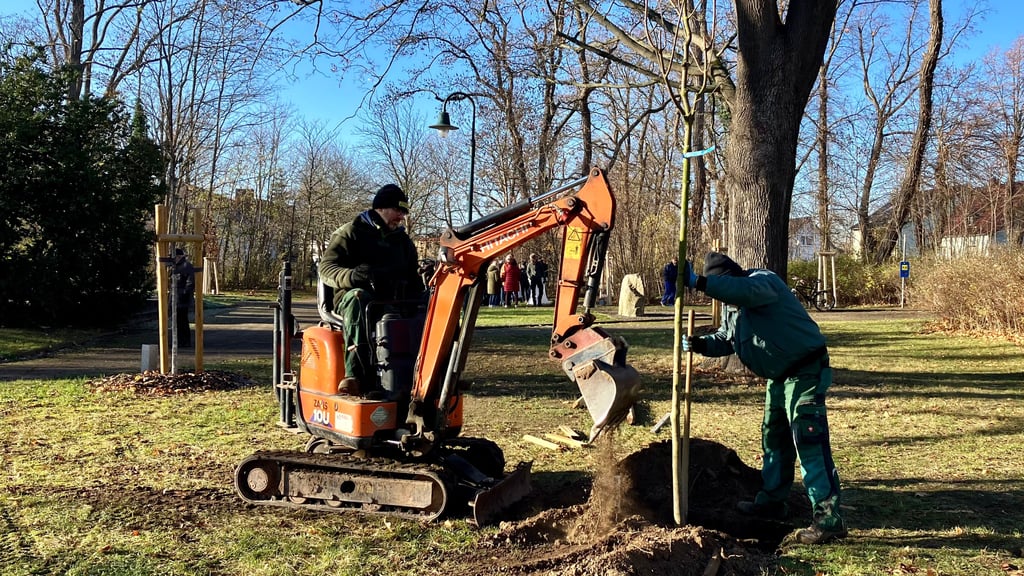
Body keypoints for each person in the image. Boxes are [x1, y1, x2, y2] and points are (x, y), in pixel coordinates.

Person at [680, 252, 846, 545]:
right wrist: (700, 344)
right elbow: (727, 339)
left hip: (805, 371)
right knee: (774, 439)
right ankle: (772, 501)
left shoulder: (761, 282)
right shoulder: (735, 305)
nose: (727, 299)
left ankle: (828, 518)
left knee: (808, 440)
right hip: (779, 378)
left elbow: (743, 291)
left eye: (722, 288)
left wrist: (699, 282)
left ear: (730, 279)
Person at [318, 184, 424, 394]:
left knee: (424, 306)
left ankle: (422, 375)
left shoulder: (403, 242)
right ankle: (356, 376)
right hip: (353, 299)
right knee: (360, 298)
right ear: (381, 208)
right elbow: (326, 269)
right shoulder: (351, 233)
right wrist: (351, 276)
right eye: (398, 211)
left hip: (390, 301)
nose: (401, 217)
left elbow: (413, 279)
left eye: (404, 212)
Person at [171, 248, 196, 348]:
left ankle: (185, 341)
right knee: (177, 320)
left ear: (179, 257)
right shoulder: (175, 267)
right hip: (176, 297)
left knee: (182, 320)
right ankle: (179, 341)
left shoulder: (186, 266)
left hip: (182, 298)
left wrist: (185, 293)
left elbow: (190, 282)